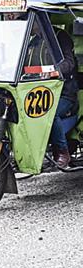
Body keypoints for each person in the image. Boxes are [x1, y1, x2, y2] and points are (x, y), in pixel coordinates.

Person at [50, 26, 79, 168]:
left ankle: (62, 151)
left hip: (65, 94)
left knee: (49, 113)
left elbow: (69, 62)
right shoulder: (34, 41)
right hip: (43, 92)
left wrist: (53, 71)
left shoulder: (60, 36)